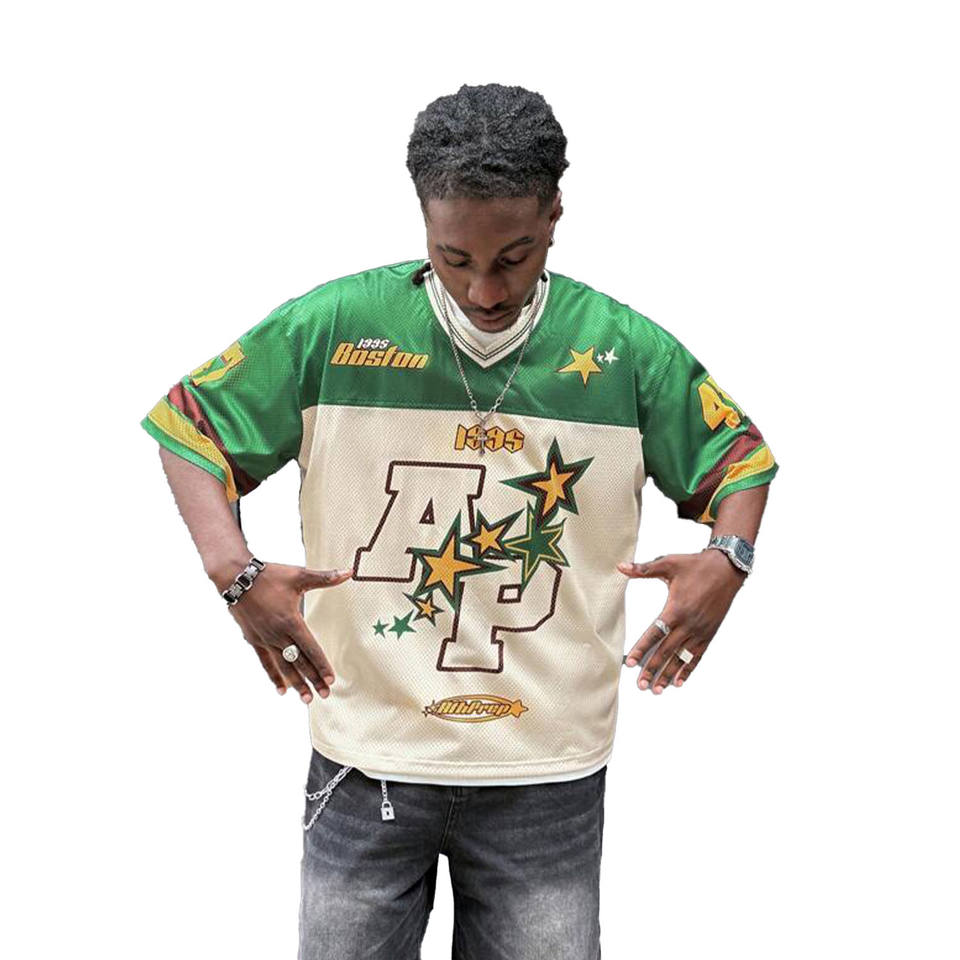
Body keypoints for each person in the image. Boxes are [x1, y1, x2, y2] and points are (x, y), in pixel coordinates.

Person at [141, 82, 779, 960]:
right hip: (367, 757)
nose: (484, 290)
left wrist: (730, 556)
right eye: (453, 258)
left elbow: (740, 459)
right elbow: (189, 428)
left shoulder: (624, 350)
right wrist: (233, 572)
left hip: (547, 765)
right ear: (423, 222)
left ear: (555, 214)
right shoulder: (336, 327)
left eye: (514, 257)